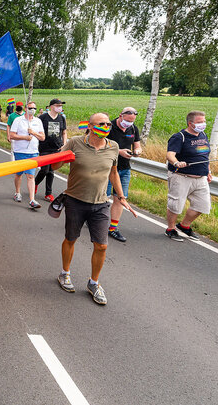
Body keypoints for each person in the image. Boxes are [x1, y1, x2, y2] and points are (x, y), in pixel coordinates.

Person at [50, 113, 136, 305]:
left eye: (107, 123)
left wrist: (121, 197)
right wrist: (62, 157)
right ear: (89, 126)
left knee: (102, 245)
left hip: (101, 203)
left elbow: (114, 173)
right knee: (71, 239)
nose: (105, 126)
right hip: (75, 200)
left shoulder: (113, 146)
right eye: (101, 124)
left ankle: (94, 283)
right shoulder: (74, 142)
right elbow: (55, 166)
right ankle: (65, 273)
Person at [165, 110, 212, 242]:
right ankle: (171, 229)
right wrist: (177, 163)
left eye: (204, 121)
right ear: (190, 123)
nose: (203, 124)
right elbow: (170, 154)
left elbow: (205, 156)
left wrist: (208, 171)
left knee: (203, 205)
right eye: (199, 122)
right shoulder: (179, 137)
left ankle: (184, 225)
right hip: (181, 176)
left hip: (201, 177)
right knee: (176, 205)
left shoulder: (203, 135)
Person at [105, 107, 143, 242]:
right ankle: (94, 219)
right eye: (127, 121)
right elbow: (101, 145)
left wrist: (137, 151)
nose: (129, 124)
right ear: (120, 115)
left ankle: (113, 228)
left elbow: (137, 145)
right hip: (108, 168)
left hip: (125, 168)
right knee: (103, 197)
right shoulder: (108, 126)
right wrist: (119, 151)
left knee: (120, 198)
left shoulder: (133, 129)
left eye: (132, 121)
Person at [9, 101, 46, 209]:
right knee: (19, 174)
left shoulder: (38, 121)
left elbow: (42, 137)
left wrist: (33, 133)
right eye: (30, 108)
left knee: (30, 176)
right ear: (25, 108)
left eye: (34, 108)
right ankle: (17, 192)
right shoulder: (18, 120)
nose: (32, 110)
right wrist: (24, 137)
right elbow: (12, 135)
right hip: (20, 151)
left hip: (33, 152)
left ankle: (32, 200)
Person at [35, 99, 68, 202]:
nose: (60, 107)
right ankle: (35, 183)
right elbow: (37, 131)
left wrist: (64, 144)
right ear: (52, 106)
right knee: (44, 170)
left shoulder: (61, 118)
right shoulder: (43, 117)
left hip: (56, 148)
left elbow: (64, 132)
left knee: (51, 171)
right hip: (44, 148)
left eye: (61, 106)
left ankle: (48, 194)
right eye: (58, 105)